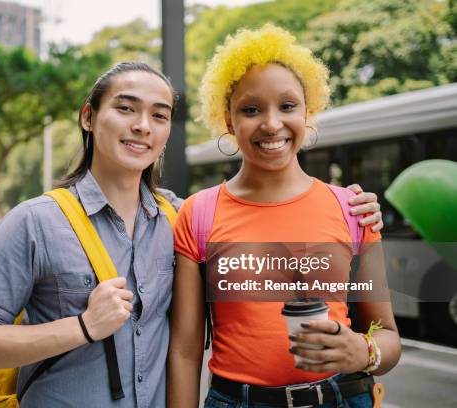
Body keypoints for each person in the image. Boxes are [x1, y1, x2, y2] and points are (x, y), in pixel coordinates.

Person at [0, 62, 383, 407]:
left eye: (159, 116)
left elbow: (257, 217)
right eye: (125, 108)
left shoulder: (182, 217)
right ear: (89, 116)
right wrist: (82, 327)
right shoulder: (34, 222)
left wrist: (354, 207)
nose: (143, 125)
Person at [168, 25, 401, 408]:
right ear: (228, 120)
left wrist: (364, 351)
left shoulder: (353, 210)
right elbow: (185, 351)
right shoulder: (199, 213)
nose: (272, 124)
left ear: (307, 111)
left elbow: (388, 336)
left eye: (287, 106)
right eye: (251, 109)